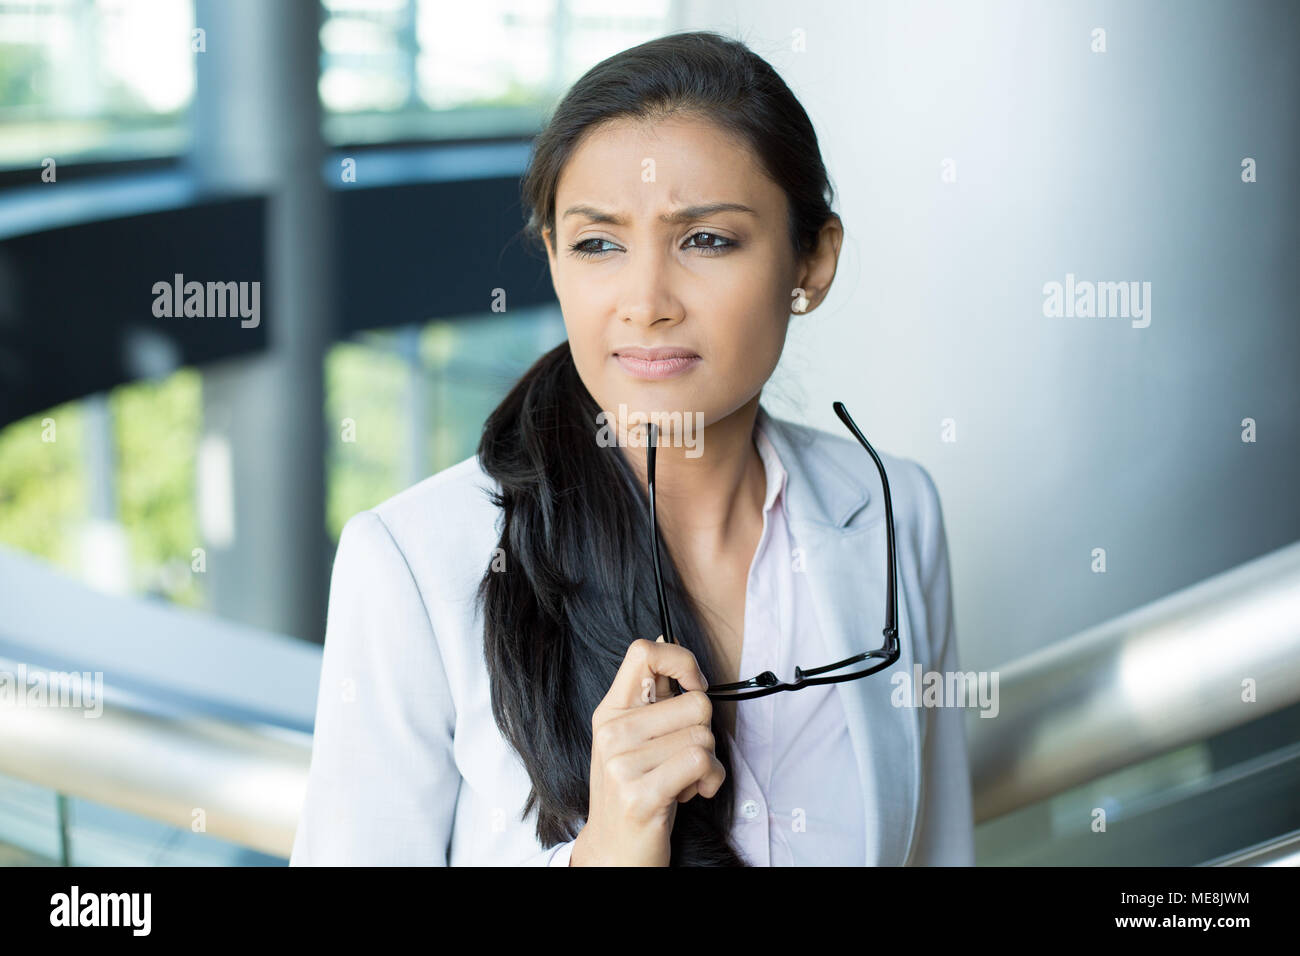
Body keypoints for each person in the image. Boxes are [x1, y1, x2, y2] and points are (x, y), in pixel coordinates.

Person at [290, 30, 973, 867]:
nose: (645, 303)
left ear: (813, 261)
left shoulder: (896, 513)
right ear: (552, 259)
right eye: (598, 244)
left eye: (707, 240)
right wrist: (606, 851)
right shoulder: (413, 562)